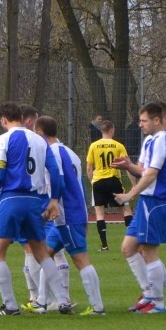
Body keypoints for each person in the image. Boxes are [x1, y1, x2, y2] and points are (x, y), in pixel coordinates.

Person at [0, 102, 70, 316]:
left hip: (11, 199)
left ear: (3, 120)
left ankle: (10, 305)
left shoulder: (4, 139)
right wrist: (54, 200)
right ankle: (63, 300)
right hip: (34, 201)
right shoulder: (39, 140)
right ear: (22, 117)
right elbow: (56, 173)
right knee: (41, 252)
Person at [112, 102, 166, 314]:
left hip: (156, 201)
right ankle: (163, 291)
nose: (140, 125)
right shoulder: (152, 140)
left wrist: (130, 194)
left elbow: (152, 174)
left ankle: (156, 301)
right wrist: (128, 166)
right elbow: (142, 170)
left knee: (148, 250)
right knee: (128, 247)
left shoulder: (164, 140)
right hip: (148, 201)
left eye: (144, 121)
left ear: (157, 120)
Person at [34, 115, 105, 315]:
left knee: (80, 258)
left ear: (40, 133)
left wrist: (50, 205)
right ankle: (43, 302)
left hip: (67, 215)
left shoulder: (52, 153)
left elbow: (60, 182)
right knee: (45, 253)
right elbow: (79, 185)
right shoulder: (70, 153)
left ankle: (98, 308)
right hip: (71, 213)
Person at [86, 120, 134, 251]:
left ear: (101, 131)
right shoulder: (118, 145)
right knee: (125, 209)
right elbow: (128, 167)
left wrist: (92, 182)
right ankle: (132, 241)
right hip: (113, 180)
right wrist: (133, 186)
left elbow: (89, 168)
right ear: (112, 130)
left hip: (98, 181)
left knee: (100, 213)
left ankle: (104, 245)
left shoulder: (94, 146)